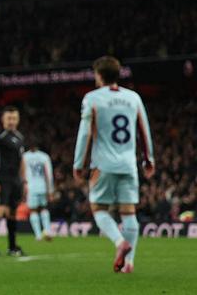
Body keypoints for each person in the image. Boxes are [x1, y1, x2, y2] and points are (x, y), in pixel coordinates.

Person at [73, 55, 155, 274]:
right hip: (128, 164)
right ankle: (129, 264)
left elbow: (85, 134)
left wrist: (78, 164)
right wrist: (149, 159)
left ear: (98, 76)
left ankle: (120, 243)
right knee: (129, 213)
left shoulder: (92, 98)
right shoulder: (133, 97)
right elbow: (143, 129)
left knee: (98, 209)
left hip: (103, 165)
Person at [0, 105, 25, 257]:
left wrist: (24, 181)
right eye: (9, 118)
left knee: (13, 212)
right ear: (3, 119)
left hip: (16, 180)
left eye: (14, 118)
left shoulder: (20, 137)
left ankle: (12, 247)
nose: (11, 121)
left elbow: (22, 161)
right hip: (2, 178)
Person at [21, 142, 55, 241]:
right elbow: (49, 174)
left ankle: (38, 235)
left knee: (33, 210)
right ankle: (48, 232)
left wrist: (23, 188)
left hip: (31, 187)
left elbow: (22, 174)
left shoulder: (25, 157)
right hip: (43, 186)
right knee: (44, 208)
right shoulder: (44, 156)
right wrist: (51, 190)